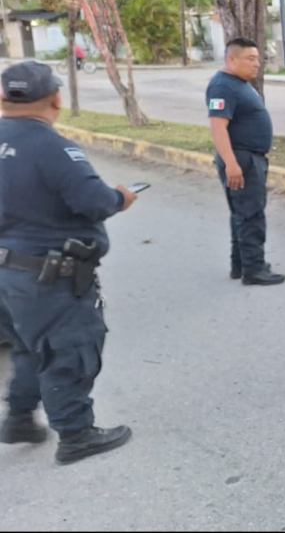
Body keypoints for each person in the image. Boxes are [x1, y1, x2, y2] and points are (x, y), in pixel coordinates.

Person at [0, 61, 138, 464]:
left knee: (29, 345)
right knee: (68, 348)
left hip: (7, 274)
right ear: (57, 99)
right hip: (44, 274)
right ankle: (76, 435)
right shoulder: (52, 147)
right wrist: (121, 198)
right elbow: (94, 201)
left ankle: (20, 417)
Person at [207, 38, 284, 286]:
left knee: (241, 213)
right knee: (250, 214)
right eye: (250, 59)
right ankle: (254, 269)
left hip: (248, 157)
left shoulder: (237, 83)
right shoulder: (223, 87)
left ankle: (241, 264)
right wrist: (231, 163)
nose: (256, 64)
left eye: (257, 59)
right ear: (232, 59)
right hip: (241, 158)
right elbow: (218, 128)